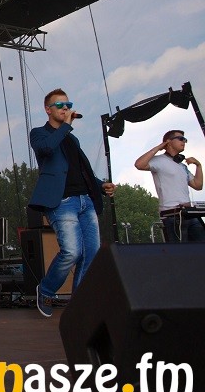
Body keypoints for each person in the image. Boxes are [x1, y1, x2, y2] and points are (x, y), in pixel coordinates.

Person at [27, 88, 115, 317]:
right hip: (62, 201)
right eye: (60, 105)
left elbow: (81, 170)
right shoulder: (39, 133)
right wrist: (66, 125)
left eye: (68, 104)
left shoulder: (71, 139)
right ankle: (46, 290)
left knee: (91, 253)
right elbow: (47, 149)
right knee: (72, 252)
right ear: (48, 110)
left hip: (85, 200)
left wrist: (100, 185)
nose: (65, 108)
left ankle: (80, 303)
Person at [134, 130, 204, 242]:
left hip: (189, 213)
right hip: (172, 215)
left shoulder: (182, 166)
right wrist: (159, 147)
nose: (184, 141)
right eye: (181, 139)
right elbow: (139, 164)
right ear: (169, 142)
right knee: (179, 251)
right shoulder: (159, 160)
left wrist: (198, 165)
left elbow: (198, 185)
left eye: (185, 139)